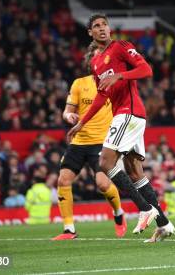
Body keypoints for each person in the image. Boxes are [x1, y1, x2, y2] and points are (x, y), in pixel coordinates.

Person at [67, 14, 174, 242]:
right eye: (96, 26)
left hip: (130, 111)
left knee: (105, 162)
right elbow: (100, 97)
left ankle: (145, 209)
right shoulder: (96, 63)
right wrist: (81, 123)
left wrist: (120, 75)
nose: (102, 28)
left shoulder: (121, 46)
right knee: (135, 172)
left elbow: (146, 70)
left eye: (104, 24)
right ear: (90, 32)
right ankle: (164, 224)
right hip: (124, 115)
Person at [52, 44, 127, 240]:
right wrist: (69, 117)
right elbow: (67, 110)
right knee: (63, 180)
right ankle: (69, 229)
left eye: (104, 56)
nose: (101, 60)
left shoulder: (113, 82)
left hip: (103, 142)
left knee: (102, 184)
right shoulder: (79, 84)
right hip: (79, 141)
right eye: (97, 57)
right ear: (90, 61)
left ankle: (118, 214)